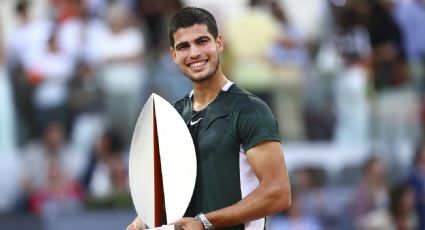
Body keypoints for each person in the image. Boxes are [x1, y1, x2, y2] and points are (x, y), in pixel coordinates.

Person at [127, 6, 291, 230]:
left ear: (219, 43)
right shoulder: (173, 114)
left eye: (202, 41)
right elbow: (168, 190)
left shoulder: (250, 109)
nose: (194, 53)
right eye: (183, 46)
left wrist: (206, 223)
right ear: (173, 55)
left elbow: (278, 193)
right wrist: (144, 220)